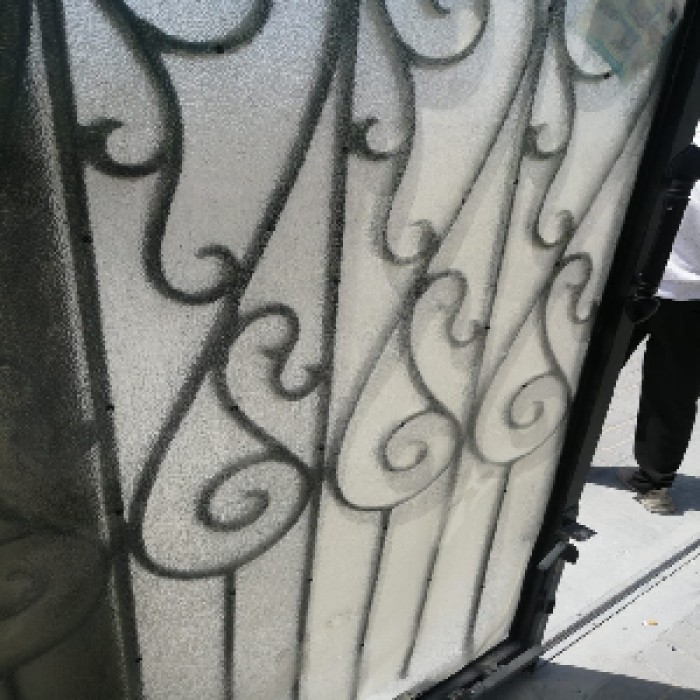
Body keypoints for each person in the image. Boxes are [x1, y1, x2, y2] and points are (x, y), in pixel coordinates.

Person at [618, 124, 700, 515]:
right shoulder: (683, 119)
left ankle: (654, 481)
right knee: (583, 378)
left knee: (672, 394)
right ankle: (542, 462)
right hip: (632, 278)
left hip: (689, 295)